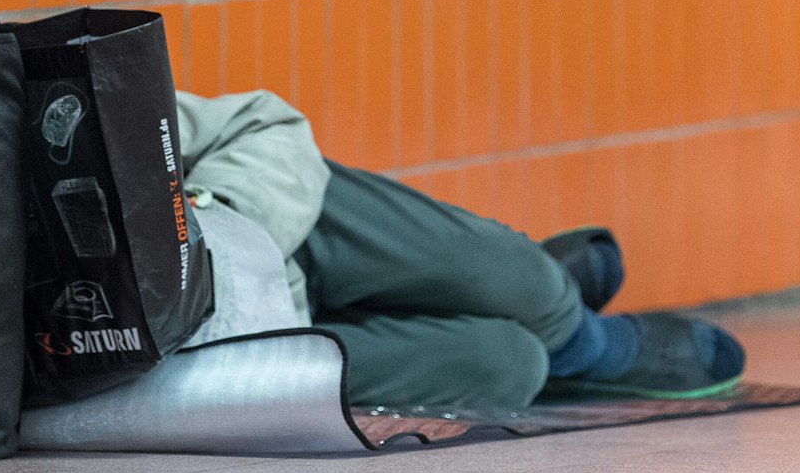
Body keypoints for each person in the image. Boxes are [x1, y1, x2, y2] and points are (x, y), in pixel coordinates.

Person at [175, 89, 745, 412]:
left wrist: (223, 231)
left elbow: (262, 123)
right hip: (239, 353)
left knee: (523, 282)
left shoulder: (87, 101)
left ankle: (579, 338)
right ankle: (553, 337)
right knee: (511, 367)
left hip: (267, 231)